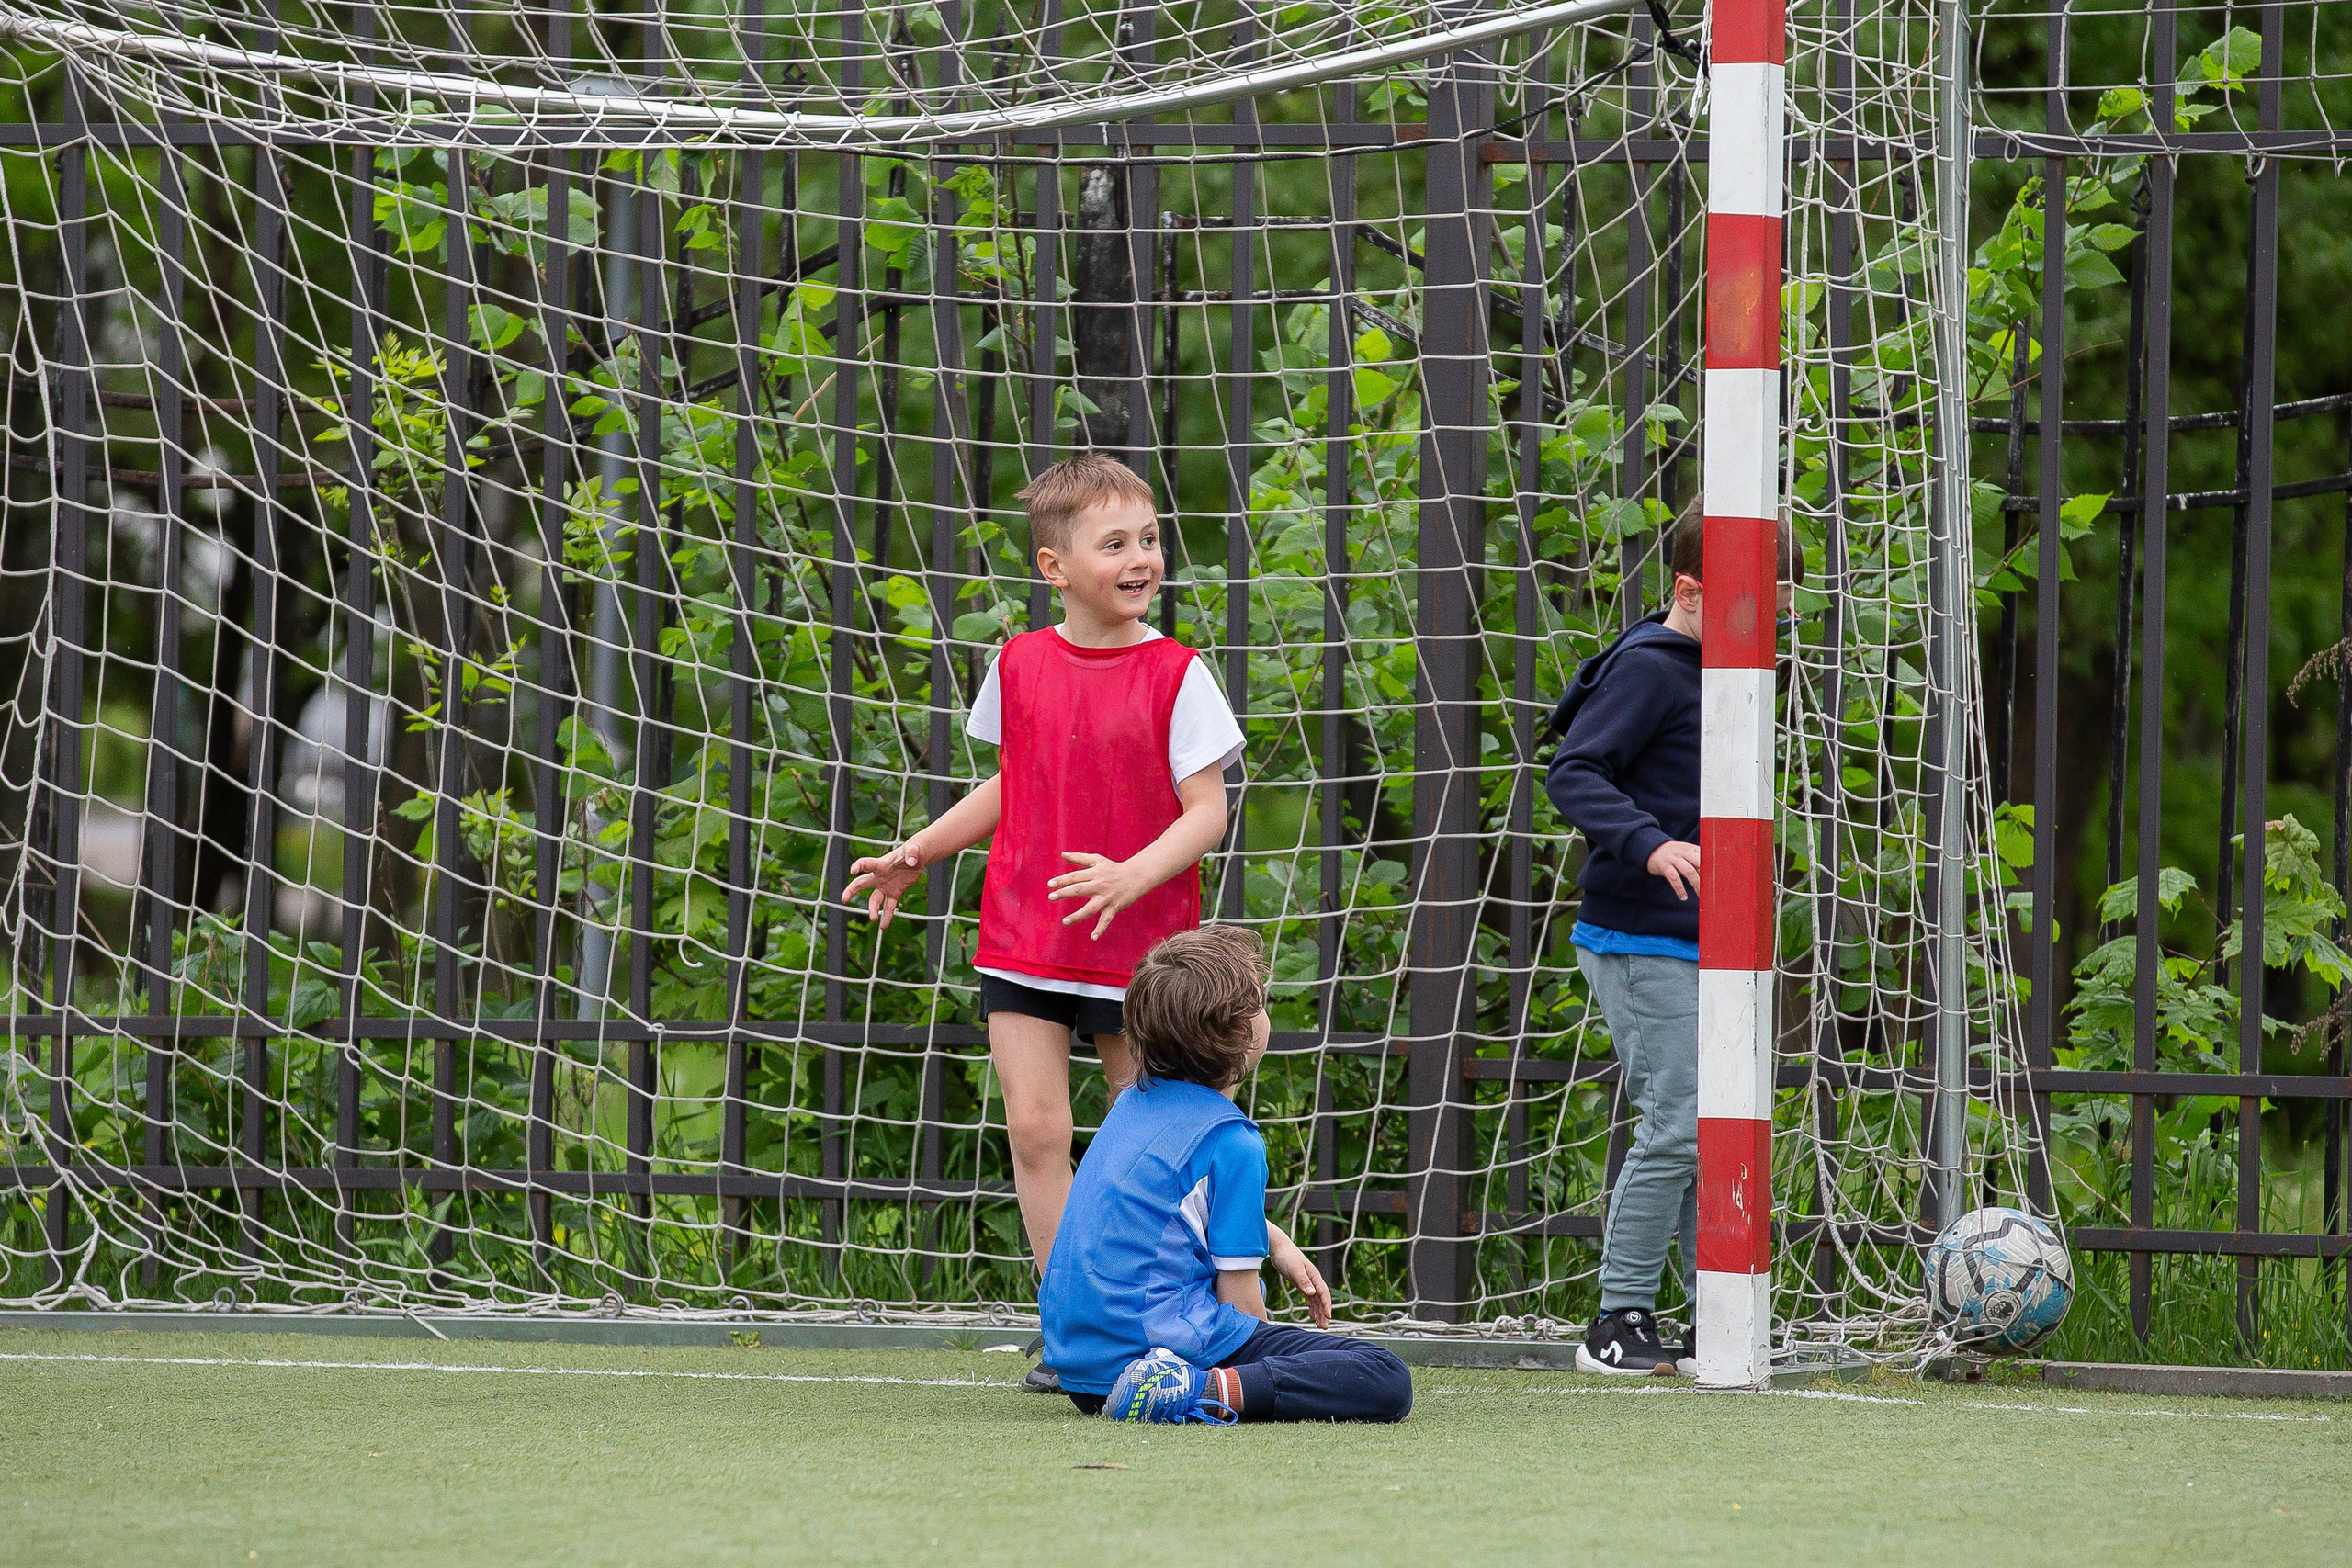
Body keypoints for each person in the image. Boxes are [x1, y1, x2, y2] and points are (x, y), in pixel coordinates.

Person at [842, 453, 1243, 1393]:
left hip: (1141, 958)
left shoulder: (1180, 675)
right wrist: (922, 850)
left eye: (1148, 539)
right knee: (1034, 1131)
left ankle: (1184, 1313)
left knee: (1160, 1137)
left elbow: (1206, 812)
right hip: (1026, 934)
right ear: (1054, 567)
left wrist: (1131, 875)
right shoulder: (1018, 662)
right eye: (1115, 543)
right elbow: (1013, 783)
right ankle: (1076, 1329)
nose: (1141, 557)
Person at [1544, 503, 1799, 1378]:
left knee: (1715, 1126)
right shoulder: (1652, 667)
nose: (1765, 630)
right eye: (1749, 610)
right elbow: (1573, 769)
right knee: (1681, 1125)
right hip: (1638, 936)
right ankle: (1615, 1320)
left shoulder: (1727, 669)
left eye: (1777, 611)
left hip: (1702, 942)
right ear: (1691, 592)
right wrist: (1648, 842)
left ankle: (1713, 1315)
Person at [1040, 925, 1412, 1424]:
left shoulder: (1130, 1104)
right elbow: (1241, 1305)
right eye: (1260, 1003)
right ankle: (1193, 1389)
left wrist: (1273, 1239)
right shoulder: (1231, 1142)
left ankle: (1172, 1385)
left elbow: (1159, 1217)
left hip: (1083, 1373)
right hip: (1157, 1354)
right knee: (1383, 1375)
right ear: (1240, 1033)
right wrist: (1272, 1367)